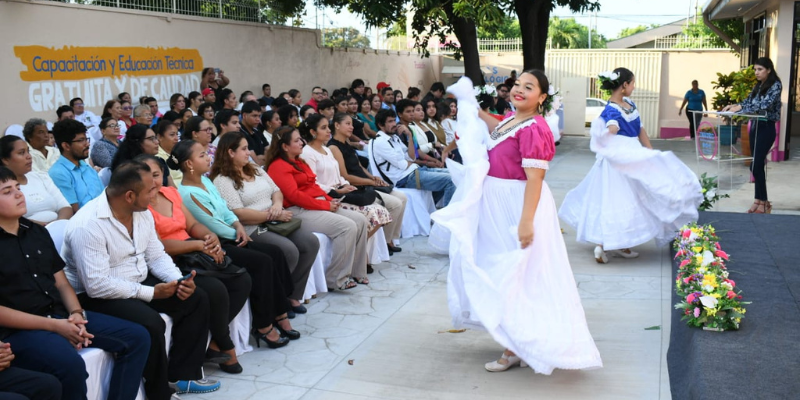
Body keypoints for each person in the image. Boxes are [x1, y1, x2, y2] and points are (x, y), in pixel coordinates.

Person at [433, 73, 603, 374]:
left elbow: (535, 179)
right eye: (517, 85)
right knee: (503, 271)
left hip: (518, 204)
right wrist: (471, 104)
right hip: (498, 204)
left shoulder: (535, 128)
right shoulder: (512, 119)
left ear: (542, 98)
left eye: (529, 87)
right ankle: (519, 342)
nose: (519, 90)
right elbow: (494, 126)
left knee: (517, 274)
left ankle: (514, 347)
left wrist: (526, 222)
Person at [62, 161, 220, 398]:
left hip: (135, 281)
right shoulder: (88, 225)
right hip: (97, 296)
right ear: (129, 195)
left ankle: (182, 375)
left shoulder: (141, 213)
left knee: (195, 297)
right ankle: (159, 392)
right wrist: (152, 293)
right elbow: (97, 286)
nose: (156, 192)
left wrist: (179, 280)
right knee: (150, 322)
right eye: (150, 190)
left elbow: (156, 255)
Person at [0, 166, 150, 400]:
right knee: (68, 364)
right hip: (20, 330)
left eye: (18, 188)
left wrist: (77, 313)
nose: (19, 194)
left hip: (60, 315)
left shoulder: (37, 232)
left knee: (137, 337)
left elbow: (61, 283)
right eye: (6, 191)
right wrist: (56, 327)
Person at [559, 68, 703, 263]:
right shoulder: (610, 109)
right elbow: (611, 127)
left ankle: (615, 245)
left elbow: (640, 129)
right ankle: (605, 244)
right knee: (622, 200)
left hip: (633, 154)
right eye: (633, 83)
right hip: (620, 158)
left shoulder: (630, 104)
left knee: (628, 199)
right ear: (624, 85)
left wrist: (651, 153)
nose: (634, 86)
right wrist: (609, 131)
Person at [169, 141, 297, 344]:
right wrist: (236, 232)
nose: (208, 157)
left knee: (275, 253)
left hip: (233, 234)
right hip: (219, 243)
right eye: (202, 155)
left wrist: (238, 226)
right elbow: (212, 224)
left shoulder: (206, 182)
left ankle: (280, 311)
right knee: (261, 262)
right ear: (189, 164)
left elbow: (225, 211)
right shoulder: (187, 193)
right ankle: (264, 325)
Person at [137, 154, 250, 374]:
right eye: (147, 176)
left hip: (193, 250)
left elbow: (192, 224)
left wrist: (209, 237)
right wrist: (198, 245)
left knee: (241, 279)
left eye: (157, 175)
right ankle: (225, 344)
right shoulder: (140, 206)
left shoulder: (170, 193)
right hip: (169, 259)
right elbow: (155, 246)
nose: (153, 182)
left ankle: (213, 341)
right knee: (215, 289)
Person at [210, 133, 319, 314]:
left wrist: (277, 206)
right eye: (243, 149)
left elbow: (276, 190)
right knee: (288, 250)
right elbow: (239, 213)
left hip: (276, 218)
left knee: (310, 242)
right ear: (230, 152)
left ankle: (292, 295)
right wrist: (271, 215)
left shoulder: (253, 167)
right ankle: (279, 299)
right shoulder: (222, 180)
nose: (248, 153)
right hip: (252, 227)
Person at [266, 126, 370, 289]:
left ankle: (358, 272)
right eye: (296, 140)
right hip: (297, 210)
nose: (302, 142)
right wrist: (325, 204)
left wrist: (330, 199)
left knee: (360, 220)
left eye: (301, 138)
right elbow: (294, 196)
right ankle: (336, 279)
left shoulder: (299, 161)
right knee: (347, 227)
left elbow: (313, 186)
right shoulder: (278, 166)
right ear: (285, 146)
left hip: (316, 203)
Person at [313, 114, 407, 252]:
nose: (351, 127)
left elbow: (359, 167)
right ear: (337, 126)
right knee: (395, 204)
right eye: (348, 124)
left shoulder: (347, 144)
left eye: (352, 124)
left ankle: (391, 239)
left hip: (366, 182)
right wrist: (370, 181)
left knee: (403, 198)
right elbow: (345, 175)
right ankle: (384, 244)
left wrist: (373, 178)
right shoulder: (334, 147)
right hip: (357, 186)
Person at [302, 114, 392, 238]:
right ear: (313, 132)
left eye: (328, 127)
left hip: (341, 191)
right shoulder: (307, 153)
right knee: (372, 212)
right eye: (323, 128)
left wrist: (346, 185)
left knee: (381, 211)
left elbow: (339, 174)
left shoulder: (326, 150)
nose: (329, 130)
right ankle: (358, 250)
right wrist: (337, 190)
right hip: (327, 196)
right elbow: (313, 183)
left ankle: (360, 247)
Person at [721, 57, 782, 214]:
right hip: (755, 125)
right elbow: (748, 102)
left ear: (769, 69)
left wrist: (740, 107)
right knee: (755, 164)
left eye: (760, 69)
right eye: (755, 69)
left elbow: (765, 105)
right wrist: (733, 107)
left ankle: (764, 202)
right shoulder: (758, 85)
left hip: (767, 127)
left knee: (756, 164)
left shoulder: (775, 85)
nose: (756, 72)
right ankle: (759, 200)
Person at [372, 109, 456, 207]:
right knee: (450, 180)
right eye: (390, 121)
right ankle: (447, 218)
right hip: (404, 178)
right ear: (381, 125)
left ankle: (432, 210)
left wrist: (410, 135)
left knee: (454, 174)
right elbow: (402, 165)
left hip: (414, 170)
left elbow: (411, 158)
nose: (395, 124)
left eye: (394, 120)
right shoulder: (380, 142)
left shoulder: (395, 137)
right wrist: (411, 162)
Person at [1, 136, 73, 225]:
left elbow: (65, 207)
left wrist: (56, 225)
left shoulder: (41, 177)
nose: (29, 156)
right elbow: (12, 220)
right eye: (21, 153)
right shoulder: (3, 187)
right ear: (5, 160)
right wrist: (42, 229)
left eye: (28, 151)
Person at [48, 119, 104, 212]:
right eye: (81, 140)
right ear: (66, 146)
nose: (87, 144)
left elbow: (104, 197)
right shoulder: (58, 173)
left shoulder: (86, 167)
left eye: (86, 139)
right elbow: (74, 212)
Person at [154, 120, 183, 184]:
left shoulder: (178, 152)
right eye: (172, 135)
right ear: (160, 137)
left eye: (177, 134)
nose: (176, 138)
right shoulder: (157, 157)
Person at [239, 101, 267, 165]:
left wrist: (264, 157)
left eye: (259, 116)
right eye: (254, 116)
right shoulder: (240, 133)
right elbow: (257, 163)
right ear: (244, 115)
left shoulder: (257, 131)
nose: (258, 119)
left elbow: (268, 149)